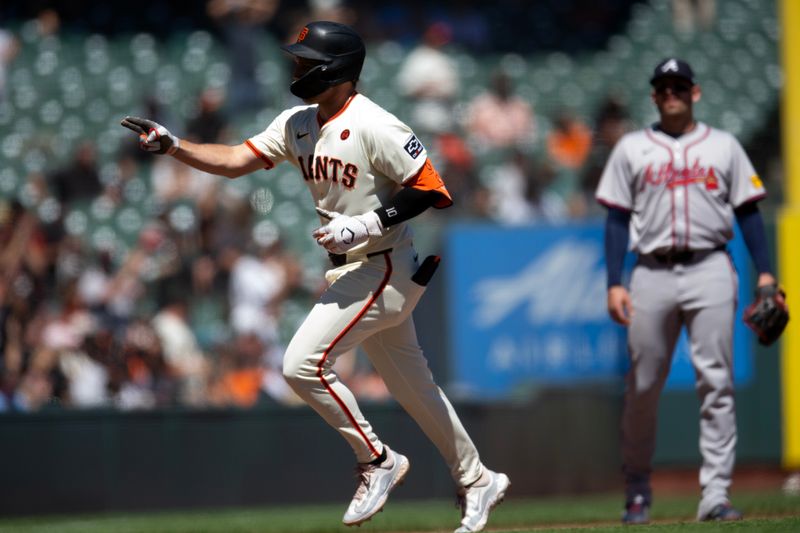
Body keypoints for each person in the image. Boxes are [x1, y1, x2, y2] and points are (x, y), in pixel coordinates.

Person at [121, 21, 509, 533]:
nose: (297, 68)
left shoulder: (376, 124)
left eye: (306, 61)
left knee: (301, 364)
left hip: (384, 264)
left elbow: (433, 189)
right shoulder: (298, 122)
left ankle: (378, 461)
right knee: (417, 391)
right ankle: (478, 478)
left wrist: (369, 222)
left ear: (337, 69)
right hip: (357, 268)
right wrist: (175, 147)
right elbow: (237, 160)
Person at [595, 58, 783, 524]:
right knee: (642, 386)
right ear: (654, 95)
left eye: (680, 85)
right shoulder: (632, 149)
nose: (672, 92)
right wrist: (614, 282)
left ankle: (715, 494)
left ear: (695, 92)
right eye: (664, 86)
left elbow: (749, 212)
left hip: (710, 268)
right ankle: (637, 488)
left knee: (716, 382)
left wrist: (765, 274)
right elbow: (617, 219)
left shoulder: (724, 146)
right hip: (650, 273)